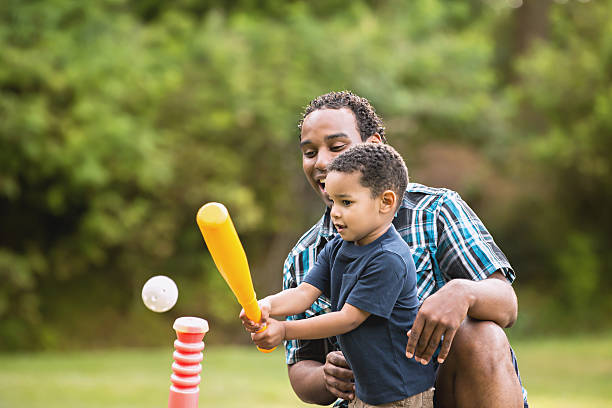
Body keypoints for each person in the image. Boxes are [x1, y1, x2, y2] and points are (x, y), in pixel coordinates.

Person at [265, 91, 527, 408]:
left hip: (448, 392)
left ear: (374, 145)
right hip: (369, 399)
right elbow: (301, 365)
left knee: (483, 336)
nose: (321, 161)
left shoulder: (436, 211)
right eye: (309, 152)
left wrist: (463, 292)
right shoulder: (305, 254)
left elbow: (506, 305)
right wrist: (325, 376)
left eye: (337, 147)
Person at [242, 143, 436, 407]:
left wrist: (284, 329)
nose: (334, 211)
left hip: (400, 392)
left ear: (386, 202)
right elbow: (304, 293)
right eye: (333, 201)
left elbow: (348, 319)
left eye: (346, 202)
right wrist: (266, 305)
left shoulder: (389, 258)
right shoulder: (338, 246)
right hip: (365, 389)